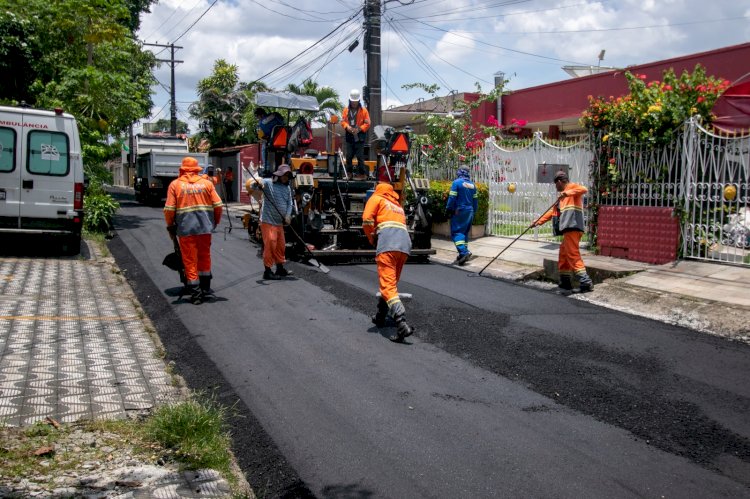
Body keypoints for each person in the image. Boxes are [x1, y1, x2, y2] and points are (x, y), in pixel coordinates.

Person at [164, 157, 223, 304]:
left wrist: (170, 226)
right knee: (204, 256)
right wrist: (215, 222)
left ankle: (196, 295)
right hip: (205, 229)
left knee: (189, 260)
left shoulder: (175, 185)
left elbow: (169, 209)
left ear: (182, 169)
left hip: (185, 229)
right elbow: (218, 204)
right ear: (197, 170)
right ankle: (205, 289)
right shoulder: (207, 184)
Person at [362, 178, 414, 342]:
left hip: (388, 244)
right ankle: (380, 316)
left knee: (388, 286)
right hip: (404, 247)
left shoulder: (376, 198)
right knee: (390, 284)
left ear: (378, 189)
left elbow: (367, 220)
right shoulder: (397, 206)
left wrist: (372, 238)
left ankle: (400, 319)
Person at [532, 170, 594, 294]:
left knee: (572, 254)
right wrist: (538, 221)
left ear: (560, 182)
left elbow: (584, 189)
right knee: (564, 254)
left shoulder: (571, 188)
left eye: (556, 184)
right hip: (568, 228)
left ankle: (586, 282)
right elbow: (553, 213)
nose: (556, 187)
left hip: (573, 227)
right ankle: (565, 282)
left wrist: (566, 193)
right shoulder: (561, 198)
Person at [249, 164, 295, 280]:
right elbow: (252, 186)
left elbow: (290, 203)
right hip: (268, 221)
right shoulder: (269, 183)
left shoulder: (287, 188)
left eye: (288, 176)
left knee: (281, 246)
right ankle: (267, 271)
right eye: (284, 175)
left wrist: (288, 215)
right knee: (270, 245)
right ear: (279, 175)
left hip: (279, 222)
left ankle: (280, 268)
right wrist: (258, 184)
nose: (285, 178)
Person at [446, 165, 478, 266]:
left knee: (457, 232)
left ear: (460, 172)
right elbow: (475, 201)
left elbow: (452, 197)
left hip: (459, 211)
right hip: (470, 211)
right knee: (464, 233)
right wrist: (474, 211)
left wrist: (448, 209)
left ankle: (464, 252)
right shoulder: (472, 185)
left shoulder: (456, 183)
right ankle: (463, 253)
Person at [340, 89, 371, 178]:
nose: (354, 103)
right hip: (349, 135)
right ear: (350, 100)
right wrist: (347, 127)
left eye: (356, 101)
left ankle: (362, 174)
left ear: (358, 101)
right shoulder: (346, 110)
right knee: (349, 155)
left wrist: (360, 129)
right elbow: (342, 121)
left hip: (359, 136)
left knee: (360, 156)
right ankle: (349, 173)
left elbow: (368, 123)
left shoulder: (364, 111)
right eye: (353, 101)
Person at [255, 108, 285, 175]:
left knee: (263, 148)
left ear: (261, 115)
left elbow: (262, 136)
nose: (257, 118)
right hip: (283, 141)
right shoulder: (276, 116)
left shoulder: (262, 122)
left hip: (273, 142)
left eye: (257, 116)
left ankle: (267, 167)